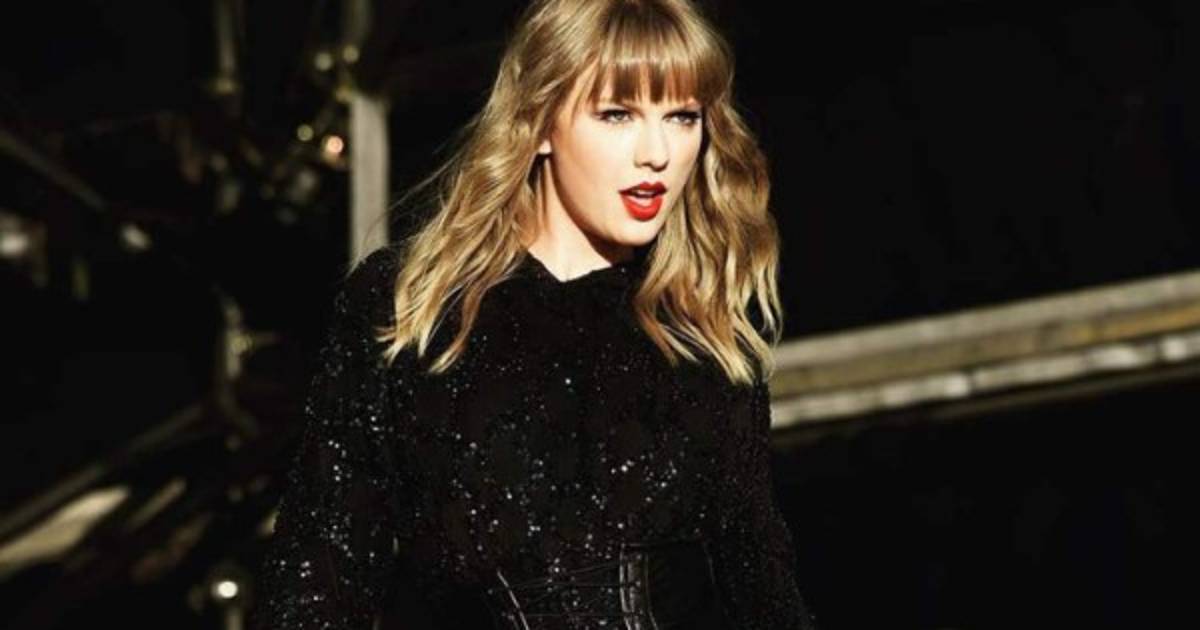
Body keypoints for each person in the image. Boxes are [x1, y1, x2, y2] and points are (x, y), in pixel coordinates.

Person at [251, 0, 819, 628]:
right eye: (618, 114)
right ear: (540, 122)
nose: (657, 152)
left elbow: (760, 585)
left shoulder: (702, 333)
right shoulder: (409, 307)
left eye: (683, 117)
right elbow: (319, 574)